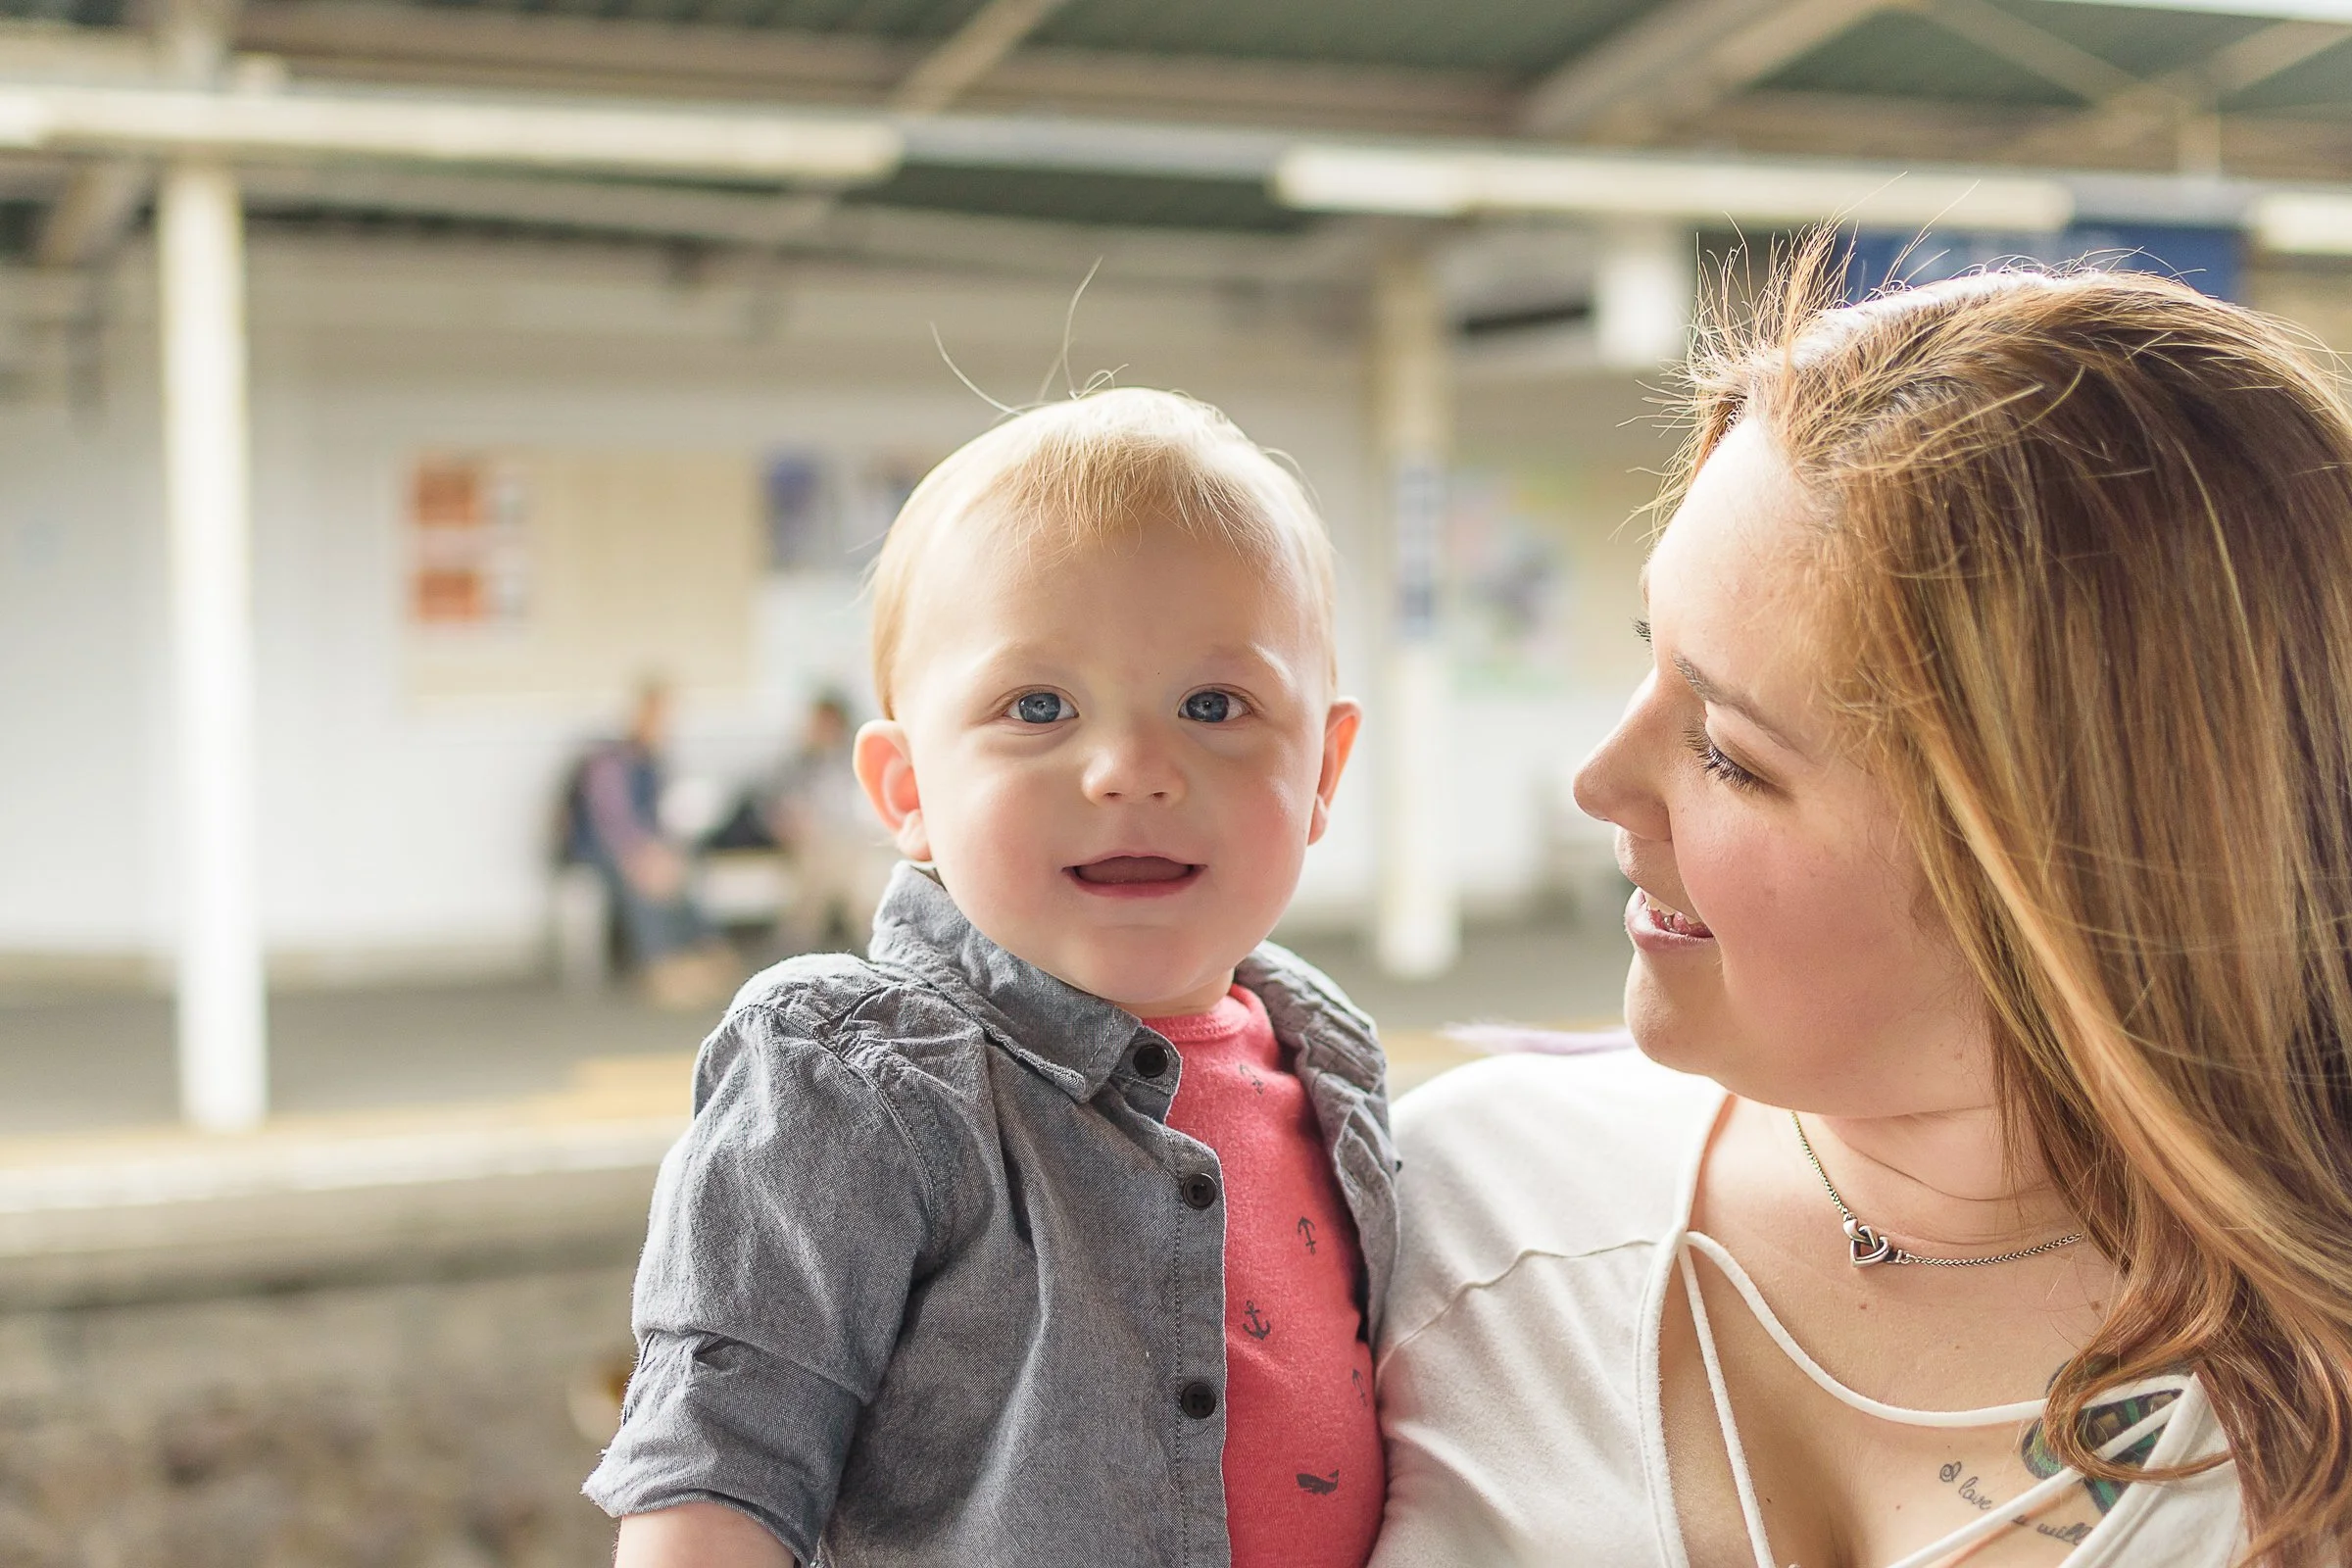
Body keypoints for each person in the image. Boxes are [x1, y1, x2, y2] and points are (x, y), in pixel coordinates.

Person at [1373, 246, 2352, 1568]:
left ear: (2060, 870)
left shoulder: (2306, 1417)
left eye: (1727, 751)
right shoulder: (1451, 1212)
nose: (1600, 785)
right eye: (1643, 659)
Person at [585, 388, 1393, 1568]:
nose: (1130, 768)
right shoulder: (859, 1082)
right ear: (906, 789)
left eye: (1214, 705)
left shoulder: (1332, 1058)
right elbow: (711, 1485)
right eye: (1039, 706)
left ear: (1324, 768)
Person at [562, 678, 736, 1008]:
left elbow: (665, 817)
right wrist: (644, 857)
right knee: (644, 882)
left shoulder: (656, 762)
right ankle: (660, 965)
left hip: (648, 849)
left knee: (682, 872)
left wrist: (667, 853)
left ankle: (702, 952)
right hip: (602, 852)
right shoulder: (609, 761)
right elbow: (614, 824)